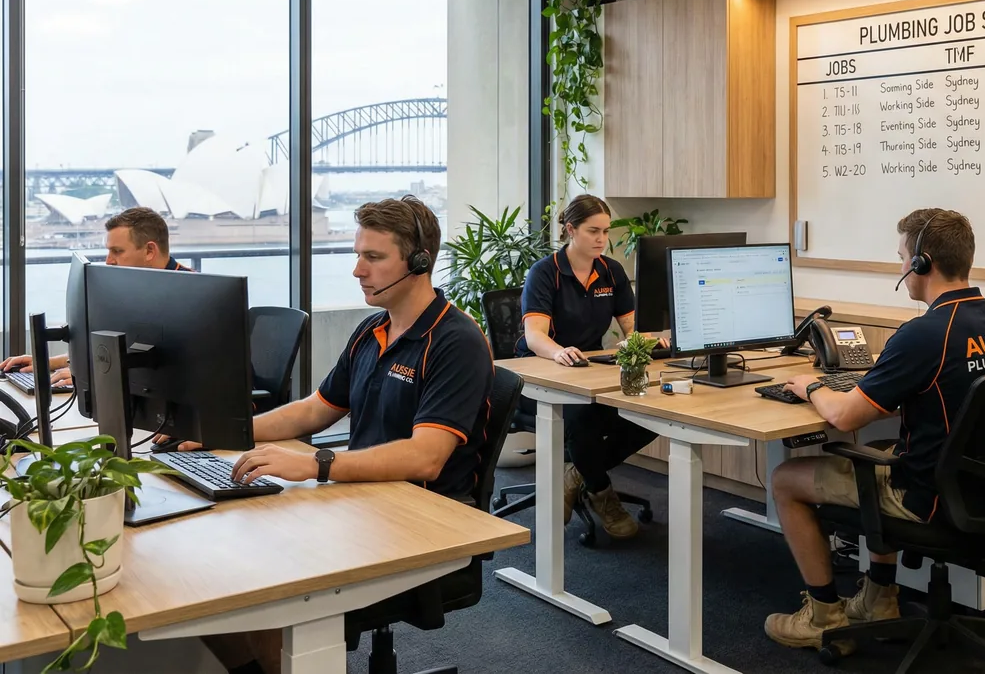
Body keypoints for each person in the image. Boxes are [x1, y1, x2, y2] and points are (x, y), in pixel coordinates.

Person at [204, 195, 494, 674]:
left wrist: (318, 465)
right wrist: (226, 431)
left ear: (419, 264)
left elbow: (426, 458)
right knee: (221, 564)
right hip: (362, 503)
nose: (358, 270)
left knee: (262, 595)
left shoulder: (455, 341)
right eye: (358, 255)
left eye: (373, 257)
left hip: (424, 519)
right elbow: (316, 409)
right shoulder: (371, 330)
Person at [763, 208, 985, 650]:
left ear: (921, 263)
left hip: (929, 500)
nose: (900, 267)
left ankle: (824, 616)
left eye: (901, 257)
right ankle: (878, 598)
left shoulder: (923, 334)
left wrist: (811, 386)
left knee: (785, 479)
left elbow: (846, 416)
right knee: (885, 448)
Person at [515, 193, 662, 540]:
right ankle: (602, 493)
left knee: (652, 414)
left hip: (589, 368)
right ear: (571, 230)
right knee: (583, 420)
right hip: (540, 373)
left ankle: (576, 475)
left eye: (606, 231)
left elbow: (632, 328)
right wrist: (558, 352)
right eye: (593, 231)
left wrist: (642, 342)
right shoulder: (544, 272)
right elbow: (534, 335)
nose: (601, 239)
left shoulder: (611, 271)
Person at [0, 206, 190, 388]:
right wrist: (49, 362)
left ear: (149, 251)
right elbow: (127, 352)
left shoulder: (190, 297)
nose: (109, 261)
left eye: (117, 251)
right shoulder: (134, 289)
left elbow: (173, 367)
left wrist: (89, 373)